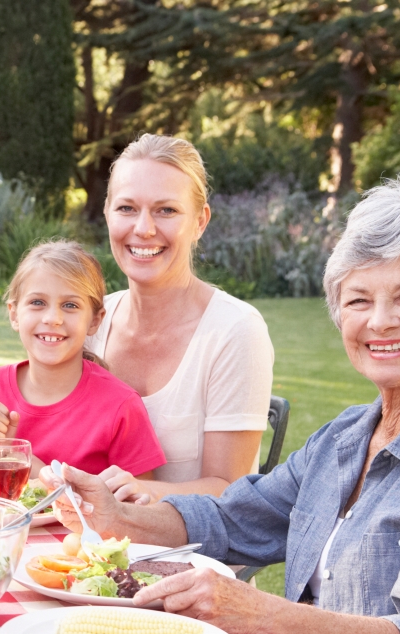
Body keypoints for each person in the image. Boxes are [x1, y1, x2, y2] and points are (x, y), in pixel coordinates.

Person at [43, 172, 400, 634]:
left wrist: (261, 613)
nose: (379, 321)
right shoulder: (347, 436)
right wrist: (119, 515)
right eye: (358, 300)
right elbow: (234, 518)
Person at [87, 134, 274, 503]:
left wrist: (145, 491)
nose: (143, 228)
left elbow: (228, 489)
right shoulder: (90, 321)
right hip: (92, 540)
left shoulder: (235, 330)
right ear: (107, 212)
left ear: (200, 221)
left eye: (166, 210)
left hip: (195, 549)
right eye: (126, 208)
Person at [0, 241, 164, 479]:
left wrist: (32, 468)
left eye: (70, 305)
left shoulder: (121, 406)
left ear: (95, 321)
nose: (53, 318)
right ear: (14, 314)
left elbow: (138, 504)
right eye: (37, 303)